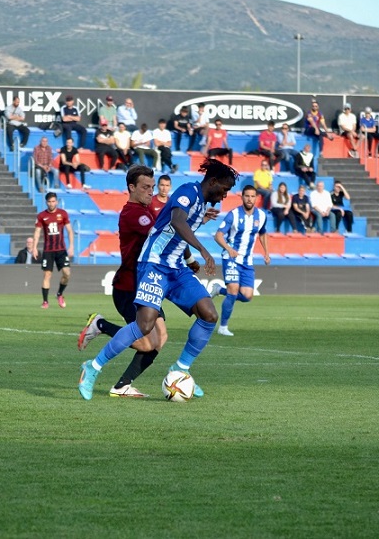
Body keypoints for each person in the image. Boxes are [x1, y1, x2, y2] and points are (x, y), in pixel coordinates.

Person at [77, 158, 237, 401]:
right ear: (212, 181)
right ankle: (93, 367)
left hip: (176, 268)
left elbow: (177, 227)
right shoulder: (188, 191)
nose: (225, 195)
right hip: (153, 264)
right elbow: (176, 221)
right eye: (224, 189)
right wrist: (203, 251)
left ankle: (180, 369)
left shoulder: (201, 203)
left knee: (209, 314)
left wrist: (200, 225)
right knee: (145, 326)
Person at [77, 165, 190, 397]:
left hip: (148, 287)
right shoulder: (133, 213)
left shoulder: (148, 211)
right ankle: (100, 325)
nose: (151, 191)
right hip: (128, 288)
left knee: (162, 338)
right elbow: (162, 236)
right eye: (145, 187)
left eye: (152, 186)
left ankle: (122, 386)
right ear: (132, 187)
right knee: (147, 343)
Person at [210, 185, 270, 336]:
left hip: (247, 261)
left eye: (252, 196)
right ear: (242, 197)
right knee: (233, 290)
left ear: (256, 198)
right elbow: (218, 235)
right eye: (247, 196)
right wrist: (229, 249)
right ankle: (223, 327)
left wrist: (266, 253)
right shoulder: (234, 215)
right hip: (230, 258)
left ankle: (218, 290)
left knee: (247, 296)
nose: (250, 199)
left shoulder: (261, 216)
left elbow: (262, 234)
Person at [33, 192, 74, 309]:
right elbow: (37, 232)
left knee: (67, 273)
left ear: (56, 201)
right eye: (49, 201)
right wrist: (35, 247)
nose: (51, 203)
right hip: (48, 250)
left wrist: (71, 246)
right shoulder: (41, 216)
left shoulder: (63, 214)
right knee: (47, 275)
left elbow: (70, 231)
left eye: (53, 201)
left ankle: (59, 294)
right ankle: (45, 301)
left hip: (61, 250)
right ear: (46, 202)